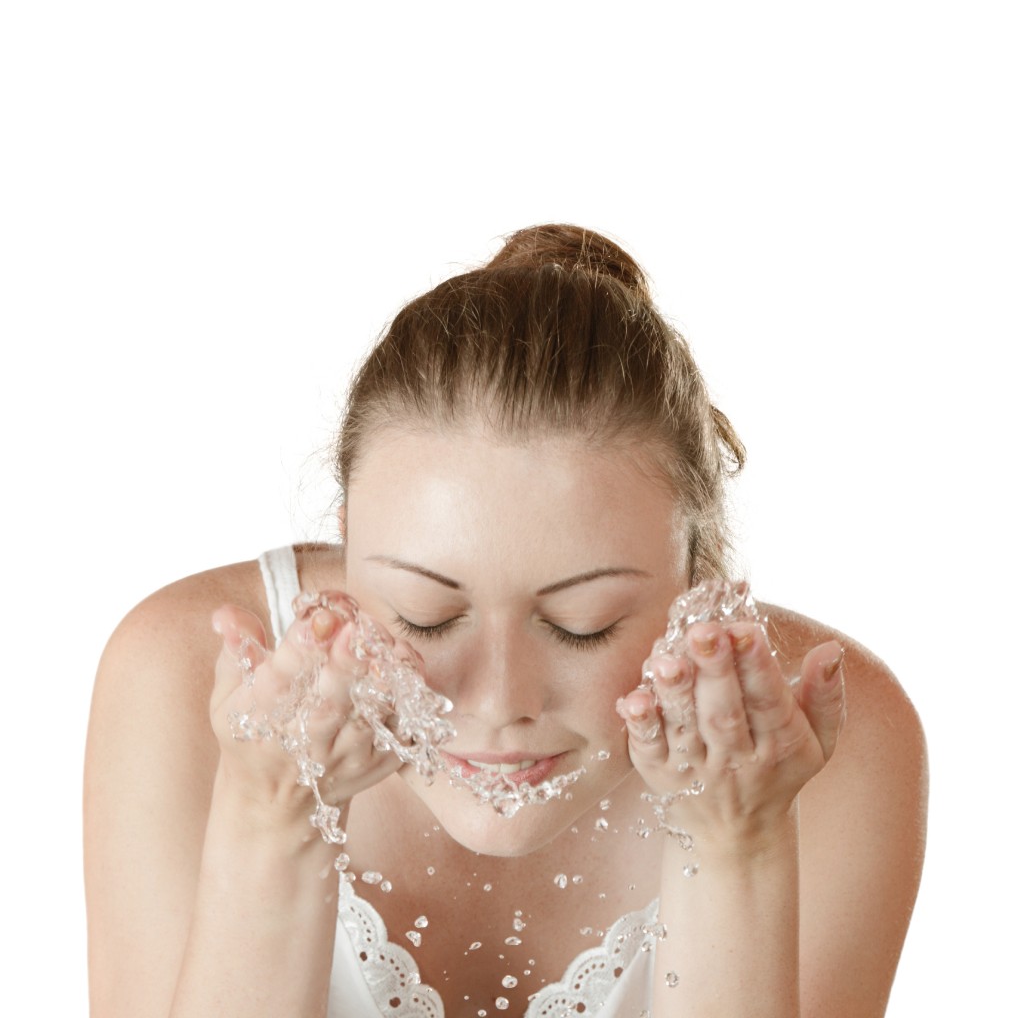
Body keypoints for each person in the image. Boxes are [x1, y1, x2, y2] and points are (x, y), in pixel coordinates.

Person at [84, 224, 927, 1018]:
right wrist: (272, 817)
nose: (496, 701)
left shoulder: (822, 747)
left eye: (580, 625)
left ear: (696, 582)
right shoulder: (185, 671)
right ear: (351, 540)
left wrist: (736, 842)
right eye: (424, 615)